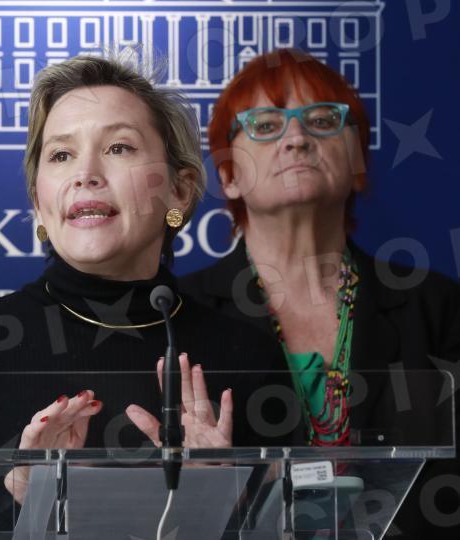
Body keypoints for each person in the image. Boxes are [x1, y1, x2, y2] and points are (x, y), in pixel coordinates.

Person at [0, 54, 287, 531]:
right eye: (60, 155)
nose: (84, 173)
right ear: (38, 202)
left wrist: (220, 503)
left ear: (180, 190)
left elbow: (300, 522)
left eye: (119, 147)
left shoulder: (247, 354)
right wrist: (24, 496)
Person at [178, 48, 460, 538]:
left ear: (356, 157)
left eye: (323, 120)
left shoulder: (439, 308)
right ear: (228, 175)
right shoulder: (179, 314)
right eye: (266, 125)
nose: (297, 138)